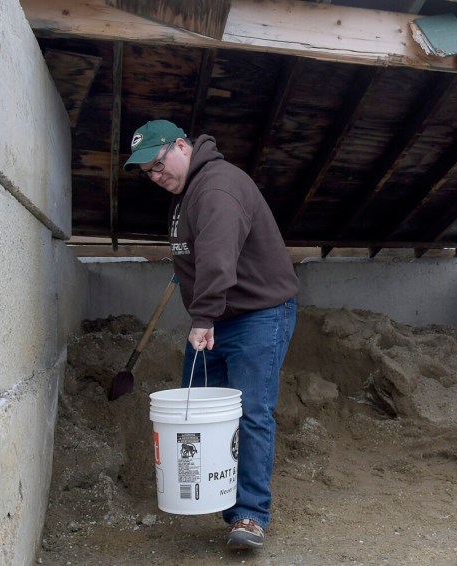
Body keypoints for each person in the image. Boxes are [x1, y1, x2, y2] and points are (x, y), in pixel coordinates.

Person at [123, 120, 299, 550]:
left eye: (158, 164)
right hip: (220, 314)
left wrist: (202, 317)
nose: (155, 176)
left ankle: (250, 516)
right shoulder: (187, 192)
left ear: (182, 146)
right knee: (198, 405)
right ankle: (215, 493)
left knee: (251, 412)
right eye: (148, 172)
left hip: (256, 316)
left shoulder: (216, 187)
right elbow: (203, 250)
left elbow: (219, 257)